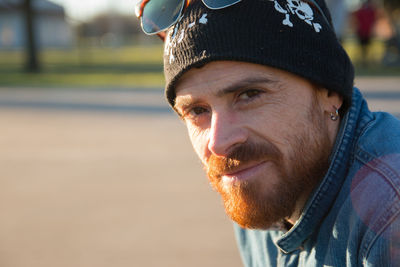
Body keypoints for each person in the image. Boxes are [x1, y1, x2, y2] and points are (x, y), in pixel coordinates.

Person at [136, 0, 400, 265]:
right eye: (196, 111)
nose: (219, 142)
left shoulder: (389, 211)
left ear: (329, 92)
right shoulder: (256, 182)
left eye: (249, 95)